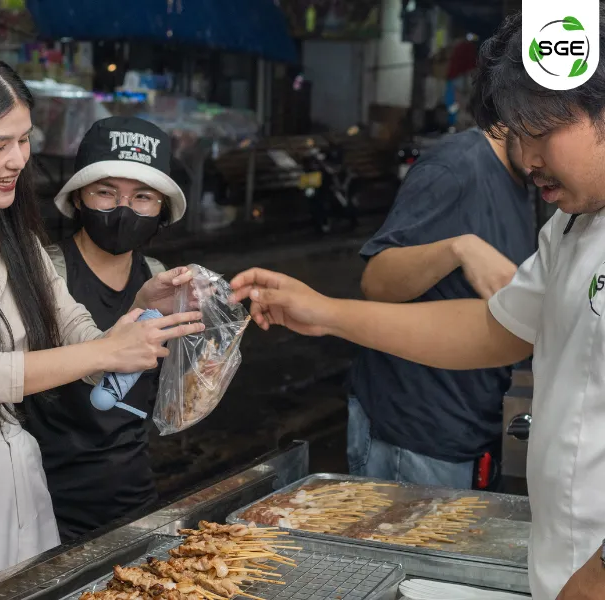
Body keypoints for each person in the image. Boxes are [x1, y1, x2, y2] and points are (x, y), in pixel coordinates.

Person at [230, 8, 605, 598]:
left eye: (541, 129)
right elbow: (490, 327)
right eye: (517, 132)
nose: (528, 157)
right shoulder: (568, 228)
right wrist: (325, 311)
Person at [0, 53, 203, 599]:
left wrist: (138, 314)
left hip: (18, 480)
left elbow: (71, 326)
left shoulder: (15, 236)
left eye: (24, 141)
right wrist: (106, 354)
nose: (17, 160)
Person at [21, 116, 187, 542]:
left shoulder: (157, 277)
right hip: (47, 505)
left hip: (134, 495)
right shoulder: (46, 273)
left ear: (160, 209)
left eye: (143, 196)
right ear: (78, 197)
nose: (123, 209)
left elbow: (170, 396)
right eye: (105, 192)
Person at [348, 127, 533, 489]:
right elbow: (376, 279)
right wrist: (457, 249)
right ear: (516, 108)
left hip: (472, 426)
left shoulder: (527, 175)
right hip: (416, 434)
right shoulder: (453, 169)